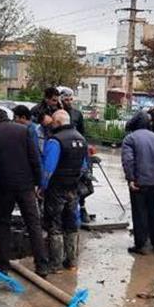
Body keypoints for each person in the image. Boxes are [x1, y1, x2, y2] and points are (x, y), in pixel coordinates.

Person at [0, 108, 49, 277]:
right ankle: (42, 265)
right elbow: (34, 158)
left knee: (3, 223)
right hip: (25, 185)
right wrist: (38, 183)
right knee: (33, 223)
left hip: (3, 186)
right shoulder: (24, 130)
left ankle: (3, 265)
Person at [121, 110, 154, 255]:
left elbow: (128, 160)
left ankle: (141, 245)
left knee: (139, 214)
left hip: (139, 183)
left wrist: (131, 178)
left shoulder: (130, 139)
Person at [41, 110, 87, 273]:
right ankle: (72, 261)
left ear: (58, 122)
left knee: (55, 225)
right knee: (71, 224)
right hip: (73, 189)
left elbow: (48, 168)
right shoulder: (81, 139)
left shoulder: (55, 141)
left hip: (56, 189)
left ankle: (55, 264)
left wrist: (42, 186)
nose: (51, 125)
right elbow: (84, 166)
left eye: (53, 122)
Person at [58, 86, 92, 224]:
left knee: (82, 181)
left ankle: (82, 208)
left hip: (77, 151)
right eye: (66, 98)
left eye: (71, 98)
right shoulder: (57, 113)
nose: (69, 101)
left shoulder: (77, 114)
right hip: (62, 151)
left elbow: (83, 135)